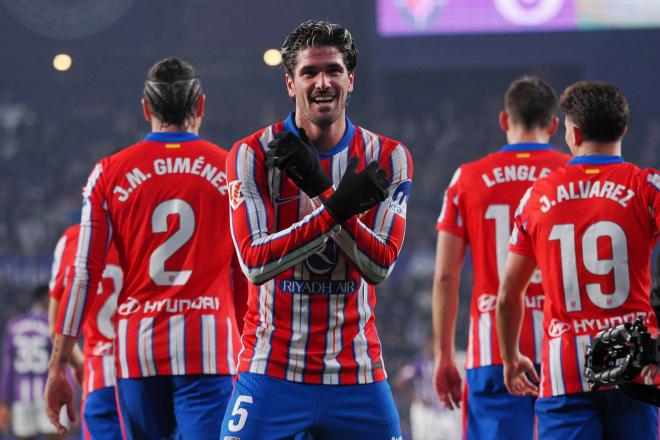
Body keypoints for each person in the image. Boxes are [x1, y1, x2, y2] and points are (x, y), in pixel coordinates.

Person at [221, 20, 412, 439]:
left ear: (351, 79)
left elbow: (379, 267)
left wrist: (321, 190)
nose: (322, 83)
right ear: (290, 83)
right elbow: (255, 263)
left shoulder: (389, 156)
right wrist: (339, 204)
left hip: (357, 372)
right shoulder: (250, 154)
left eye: (333, 71)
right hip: (271, 369)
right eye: (309, 72)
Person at [44, 57, 245, 439]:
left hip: (137, 352)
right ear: (200, 106)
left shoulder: (108, 172)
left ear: (146, 109)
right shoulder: (231, 169)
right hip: (211, 349)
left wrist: (57, 367)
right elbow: (248, 269)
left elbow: (84, 274)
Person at [496, 81, 660, 439]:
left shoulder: (536, 197)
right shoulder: (648, 186)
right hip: (636, 367)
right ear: (624, 129)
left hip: (564, 374)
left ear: (574, 134)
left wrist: (511, 359)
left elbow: (509, 296)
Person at [432, 76, 570, 439]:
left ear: (505, 121)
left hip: (491, 347)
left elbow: (446, 277)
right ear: (554, 126)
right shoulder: (571, 176)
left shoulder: (467, 178)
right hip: (564, 344)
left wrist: (444, 355)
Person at [48, 223, 123, 439]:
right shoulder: (139, 228)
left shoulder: (73, 238)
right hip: (144, 372)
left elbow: (56, 328)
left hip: (100, 376)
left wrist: (78, 363)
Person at [0, 285, 66, 440]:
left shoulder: (14, 325)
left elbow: (9, 368)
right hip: (49, 393)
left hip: (21, 395)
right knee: (55, 436)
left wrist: (4, 401)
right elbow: (61, 363)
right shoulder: (53, 325)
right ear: (47, 300)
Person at [393, 339, 461, 440]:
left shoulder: (442, 363)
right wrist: (415, 397)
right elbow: (399, 381)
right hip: (424, 410)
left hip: (442, 410)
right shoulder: (420, 363)